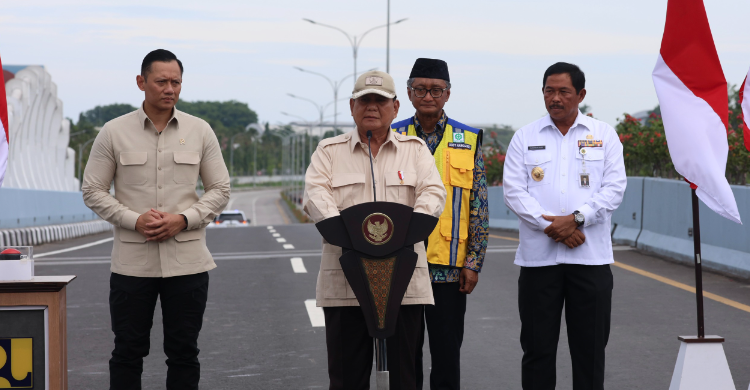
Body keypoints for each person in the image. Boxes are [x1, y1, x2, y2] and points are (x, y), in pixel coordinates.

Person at [82, 49, 230, 390]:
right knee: (127, 352)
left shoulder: (200, 131)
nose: (170, 89)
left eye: (176, 82)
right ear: (141, 82)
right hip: (133, 264)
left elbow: (220, 189)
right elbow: (93, 190)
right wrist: (134, 220)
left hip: (188, 264)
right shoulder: (113, 132)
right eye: (161, 81)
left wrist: (184, 218)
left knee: (183, 352)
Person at [303, 70, 447, 390]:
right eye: (364, 100)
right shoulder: (329, 151)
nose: (371, 107)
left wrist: (405, 235)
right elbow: (315, 197)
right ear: (352, 106)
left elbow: (434, 194)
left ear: (395, 108)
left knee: (403, 377)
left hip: (403, 281)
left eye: (379, 101)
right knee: (345, 377)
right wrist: (353, 238)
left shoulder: (415, 150)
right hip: (345, 280)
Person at [503, 62, 626, 390]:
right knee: (537, 350)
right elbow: (514, 192)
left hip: (591, 261)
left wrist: (576, 219)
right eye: (549, 91)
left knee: (590, 351)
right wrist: (554, 229)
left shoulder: (604, 136)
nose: (554, 98)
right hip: (538, 262)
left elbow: (613, 190)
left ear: (580, 94)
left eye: (563, 92)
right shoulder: (524, 137)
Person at [391, 58, 488, 390]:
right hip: (401, 265)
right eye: (420, 89)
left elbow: (479, 206)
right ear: (408, 93)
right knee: (404, 356)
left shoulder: (469, 139)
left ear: (447, 93)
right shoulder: (393, 135)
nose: (428, 96)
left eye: (435, 90)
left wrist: (473, 262)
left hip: (449, 268)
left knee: (447, 356)